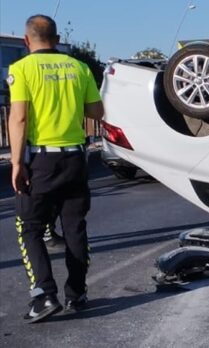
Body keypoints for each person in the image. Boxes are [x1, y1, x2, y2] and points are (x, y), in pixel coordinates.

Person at [7, 14, 104, 323]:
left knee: (29, 227)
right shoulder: (79, 67)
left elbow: (19, 118)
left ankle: (44, 295)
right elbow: (96, 111)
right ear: (57, 38)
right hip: (75, 158)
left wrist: (16, 162)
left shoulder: (21, 69)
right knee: (74, 227)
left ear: (26, 40)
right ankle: (77, 293)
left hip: (41, 162)